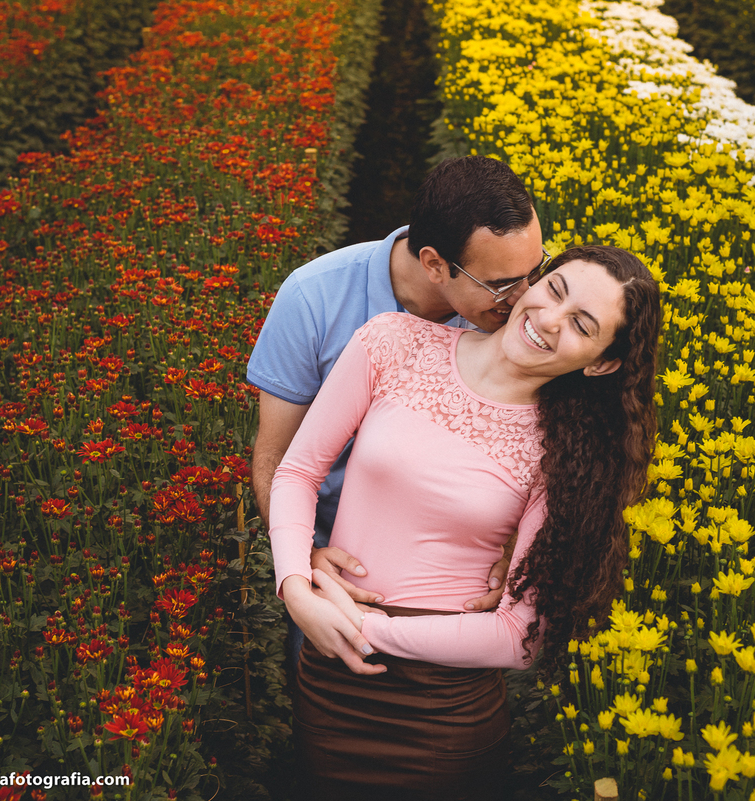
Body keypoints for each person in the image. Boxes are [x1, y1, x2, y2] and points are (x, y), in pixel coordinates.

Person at [268, 245, 662, 799]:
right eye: (554, 290)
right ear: (533, 282)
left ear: (602, 363)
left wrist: (363, 629)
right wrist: (294, 588)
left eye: (582, 324)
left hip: (439, 710)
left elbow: (518, 637)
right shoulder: (393, 341)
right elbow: (298, 472)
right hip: (328, 678)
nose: (551, 319)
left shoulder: (568, 456)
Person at [248, 156, 549, 617]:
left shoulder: (527, 319)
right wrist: (305, 561)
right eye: (502, 284)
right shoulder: (314, 297)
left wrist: (513, 553)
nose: (526, 296)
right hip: (336, 559)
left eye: (536, 270)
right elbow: (277, 458)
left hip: (460, 574)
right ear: (434, 264)